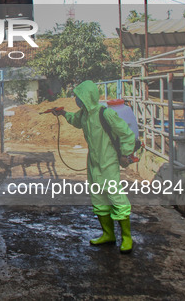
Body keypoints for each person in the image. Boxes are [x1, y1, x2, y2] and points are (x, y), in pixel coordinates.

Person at [53, 80, 136, 254]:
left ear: (87, 97)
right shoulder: (83, 115)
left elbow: (127, 135)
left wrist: (126, 154)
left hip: (109, 161)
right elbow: (74, 120)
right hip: (93, 162)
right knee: (98, 198)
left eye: (78, 96)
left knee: (115, 197)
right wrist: (62, 113)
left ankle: (127, 238)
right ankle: (108, 235)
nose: (76, 99)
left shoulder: (105, 114)